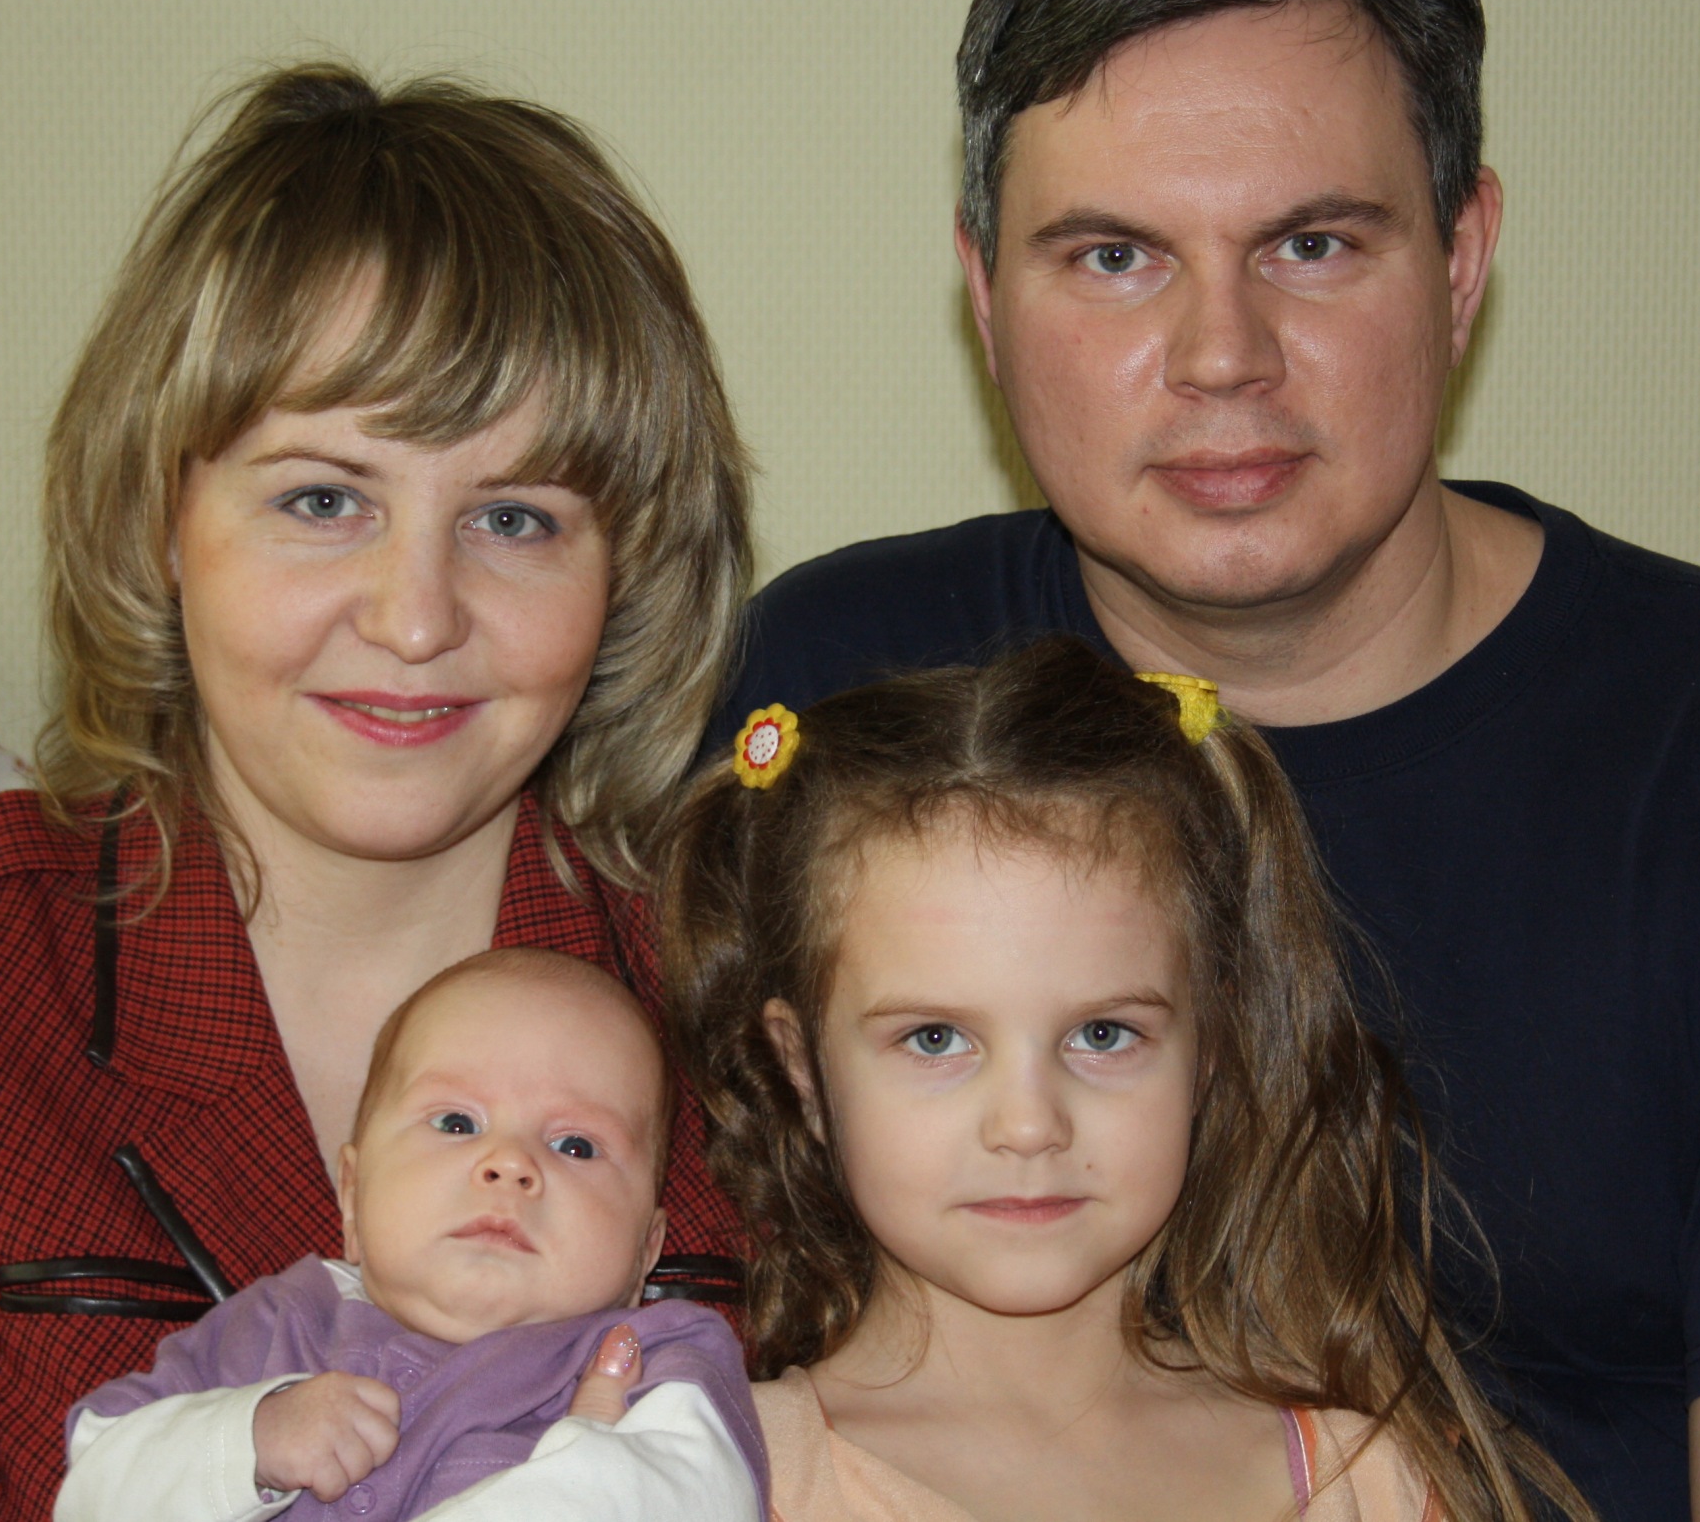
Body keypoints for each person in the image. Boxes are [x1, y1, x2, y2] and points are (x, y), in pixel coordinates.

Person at [711, 0, 1700, 1521]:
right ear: (985, 291)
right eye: (1113, 256)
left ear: (1461, 260)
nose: (1222, 353)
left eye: (1313, 244)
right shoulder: (841, 690)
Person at [0, 63, 752, 1521]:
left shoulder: (755, 997)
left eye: (513, 517)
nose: (415, 618)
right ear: (159, 520)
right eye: (322, 498)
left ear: (625, 573)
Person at [665, 638, 1588, 1522]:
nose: (1030, 1125)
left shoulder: (1371, 1478)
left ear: (1211, 1044)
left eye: (1102, 1034)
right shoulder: (704, 1475)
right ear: (803, 1068)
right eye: (936, 1038)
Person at [58, 949, 764, 1522]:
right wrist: (250, 1438)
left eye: (576, 1145)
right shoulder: (275, 1323)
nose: (509, 1164)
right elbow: (92, 1485)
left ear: (646, 1251)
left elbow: (687, 1492)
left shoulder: (660, 1364)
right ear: (353, 1196)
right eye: (456, 1123)